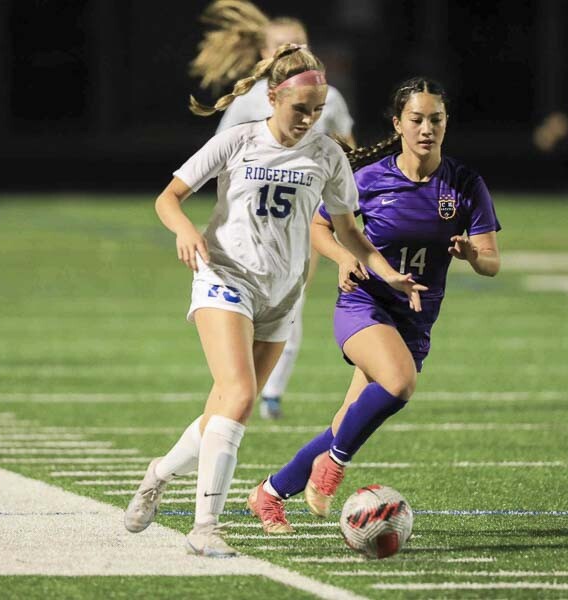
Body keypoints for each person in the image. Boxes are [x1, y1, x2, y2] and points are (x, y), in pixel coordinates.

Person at [123, 45, 426, 557]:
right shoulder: (237, 141)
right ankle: (205, 528)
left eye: (318, 109)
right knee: (239, 394)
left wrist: (387, 273)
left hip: (281, 298)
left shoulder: (326, 154)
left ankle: (158, 473)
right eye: (299, 109)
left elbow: (350, 231)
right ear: (272, 98)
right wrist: (184, 232)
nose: (309, 119)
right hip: (225, 279)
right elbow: (167, 198)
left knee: (224, 410)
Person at [245, 77, 502, 534]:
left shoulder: (464, 184)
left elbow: (492, 262)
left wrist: (470, 255)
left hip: (415, 320)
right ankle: (334, 465)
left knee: (346, 421)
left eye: (436, 120)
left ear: (447, 124)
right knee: (399, 382)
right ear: (398, 123)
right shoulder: (369, 177)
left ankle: (269, 493)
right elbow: (320, 228)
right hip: (363, 304)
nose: (427, 129)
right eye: (417, 119)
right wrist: (344, 257)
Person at [190, 0, 356, 419]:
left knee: (290, 297)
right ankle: (238, 382)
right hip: (250, 226)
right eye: (281, 45)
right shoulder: (249, 102)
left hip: (307, 215)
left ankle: (271, 392)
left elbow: (349, 151)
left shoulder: (328, 97)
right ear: (265, 53)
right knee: (252, 307)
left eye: (298, 43)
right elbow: (221, 160)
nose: (290, 50)